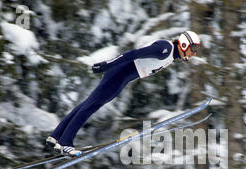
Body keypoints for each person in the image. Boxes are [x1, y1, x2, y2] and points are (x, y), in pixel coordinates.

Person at [46, 31, 201, 156]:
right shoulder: (165, 49)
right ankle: (65, 142)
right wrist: (107, 65)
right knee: (90, 106)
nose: (194, 53)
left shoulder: (170, 54)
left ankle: (56, 136)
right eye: (193, 49)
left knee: (88, 104)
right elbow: (132, 54)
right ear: (184, 43)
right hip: (119, 73)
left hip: (122, 76)